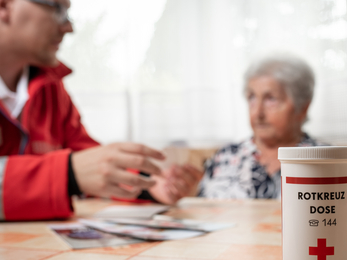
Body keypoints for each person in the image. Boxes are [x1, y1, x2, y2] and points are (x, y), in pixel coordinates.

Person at [0, 0, 201, 220]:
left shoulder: (51, 87)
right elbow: (77, 168)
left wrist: (147, 185)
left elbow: (87, 158)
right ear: (4, 6)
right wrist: (68, 174)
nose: (69, 27)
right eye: (57, 8)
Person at [196, 54, 326, 199]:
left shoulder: (326, 159)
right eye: (252, 97)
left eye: (271, 99)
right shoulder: (226, 157)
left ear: (302, 107)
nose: (258, 113)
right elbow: (200, 213)